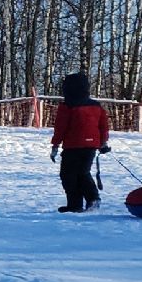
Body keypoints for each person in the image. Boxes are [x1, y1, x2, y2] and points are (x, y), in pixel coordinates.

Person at [51, 72, 109, 213]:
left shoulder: (67, 106)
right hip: (91, 146)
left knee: (68, 175)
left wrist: (55, 145)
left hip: (73, 146)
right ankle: (91, 199)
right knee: (83, 172)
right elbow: (103, 126)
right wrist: (103, 143)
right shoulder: (96, 106)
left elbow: (61, 127)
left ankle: (77, 203)